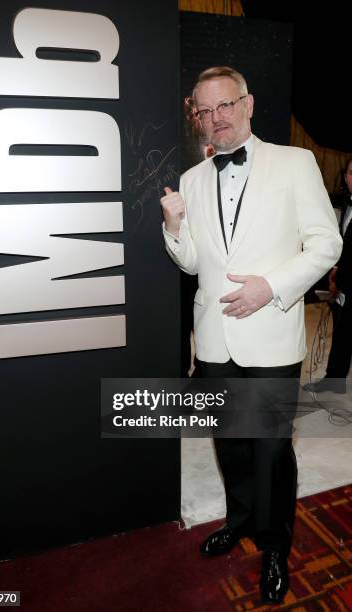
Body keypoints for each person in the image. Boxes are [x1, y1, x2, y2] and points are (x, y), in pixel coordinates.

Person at [160, 66, 342, 605]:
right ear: (196, 115)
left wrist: (273, 286)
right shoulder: (193, 178)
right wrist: (174, 228)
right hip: (214, 340)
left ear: (248, 104)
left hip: (270, 336)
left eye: (225, 106)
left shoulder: (295, 162)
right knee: (230, 445)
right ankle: (238, 520)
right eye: (204, 110)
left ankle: (275, 545)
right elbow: (193, 262)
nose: (215, 118)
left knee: (270, 449)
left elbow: (325, 244)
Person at [304, 157, 352, 394]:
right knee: (342, 334)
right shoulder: (345, 204)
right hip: (344, 281)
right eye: (351, 172)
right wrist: (335, 274)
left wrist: (339, 280)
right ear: (345, 176)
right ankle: (335, 380)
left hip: (346, 281)